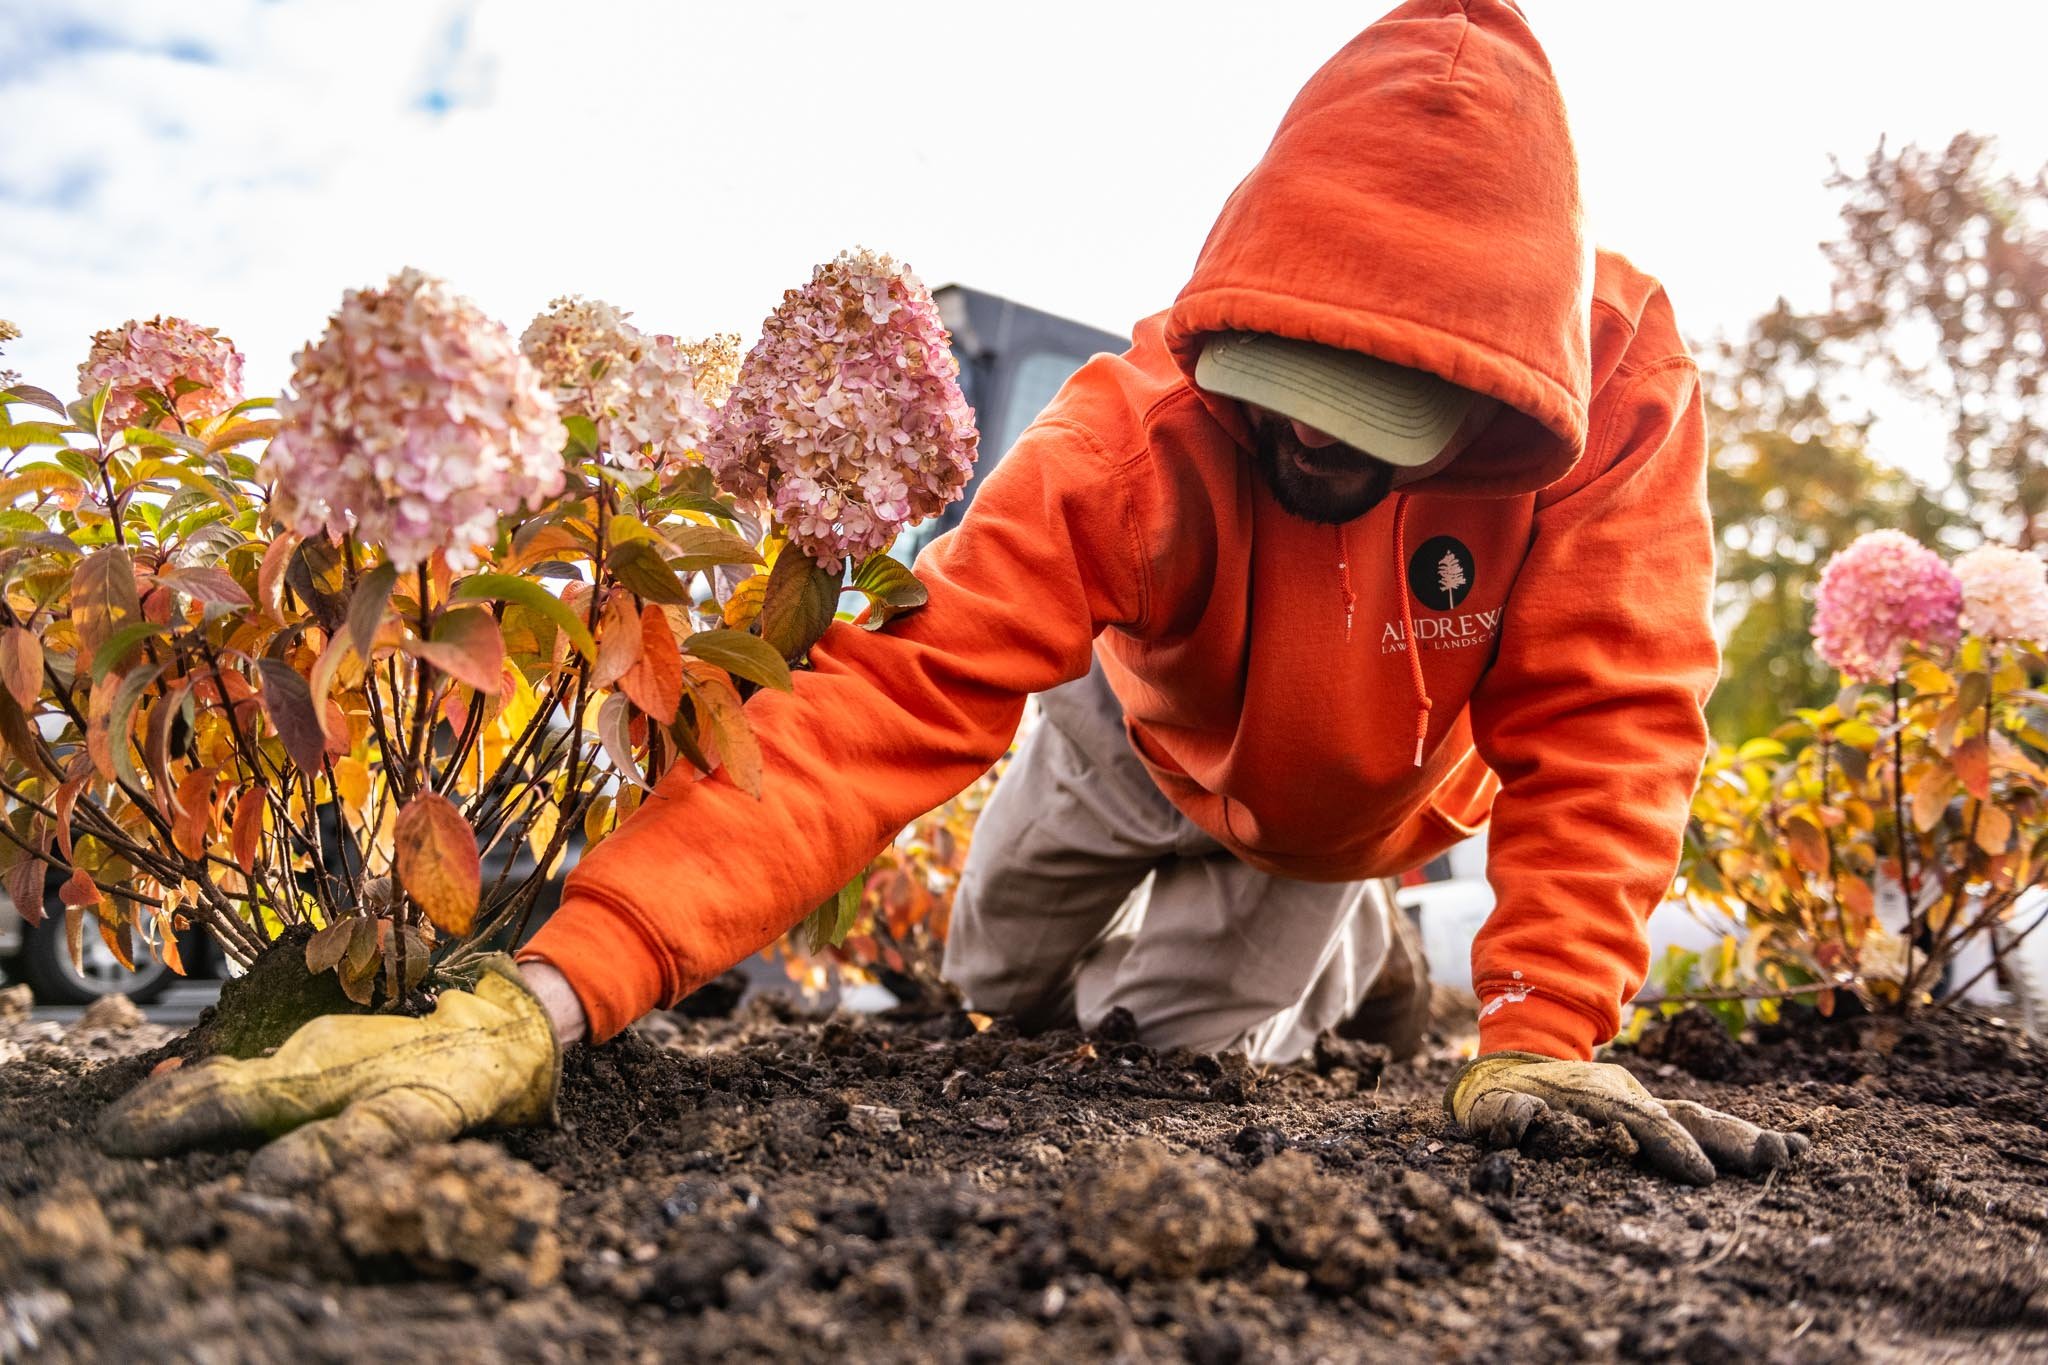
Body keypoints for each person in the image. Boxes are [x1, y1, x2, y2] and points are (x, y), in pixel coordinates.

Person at [102, 0, 1807, 1187]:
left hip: (1349, 797)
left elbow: (1612, 710)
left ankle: (1356, 949)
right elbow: (885, 702)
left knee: (1162, 1054)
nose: (1317, 461)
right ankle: (1319, 941)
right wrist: (552, 986)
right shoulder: (1128, 436)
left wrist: (1543, 1019)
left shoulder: (1617, 394)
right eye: (1284, 410)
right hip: (1136, 715)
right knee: (996, 979)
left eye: (1377, 439)